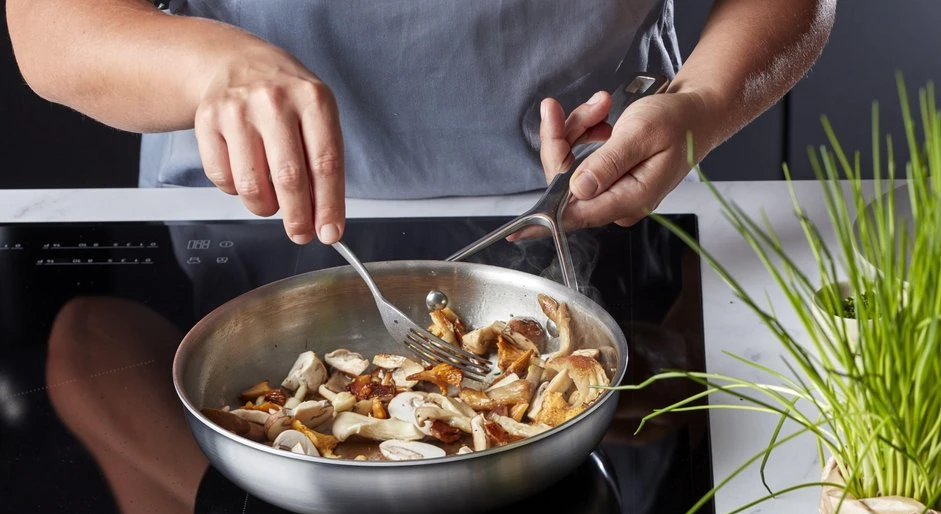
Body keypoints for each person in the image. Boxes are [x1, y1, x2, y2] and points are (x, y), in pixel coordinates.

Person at [8, 1, 835, 244]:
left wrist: (701, 106)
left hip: (602, 207)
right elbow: (50, 29)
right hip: (237, 230)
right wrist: (208, 67)